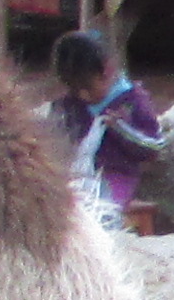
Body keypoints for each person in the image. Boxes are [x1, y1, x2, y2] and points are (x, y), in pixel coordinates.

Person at [44, 29, 162, 217]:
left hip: (115, 176)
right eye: (74, 89)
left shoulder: (131, 101)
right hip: (75, 175)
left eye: (87, 88)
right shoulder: (68, 105)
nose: (82, 96)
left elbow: (154, 146)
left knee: (100, 209)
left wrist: (121, 129)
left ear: (108, 70)